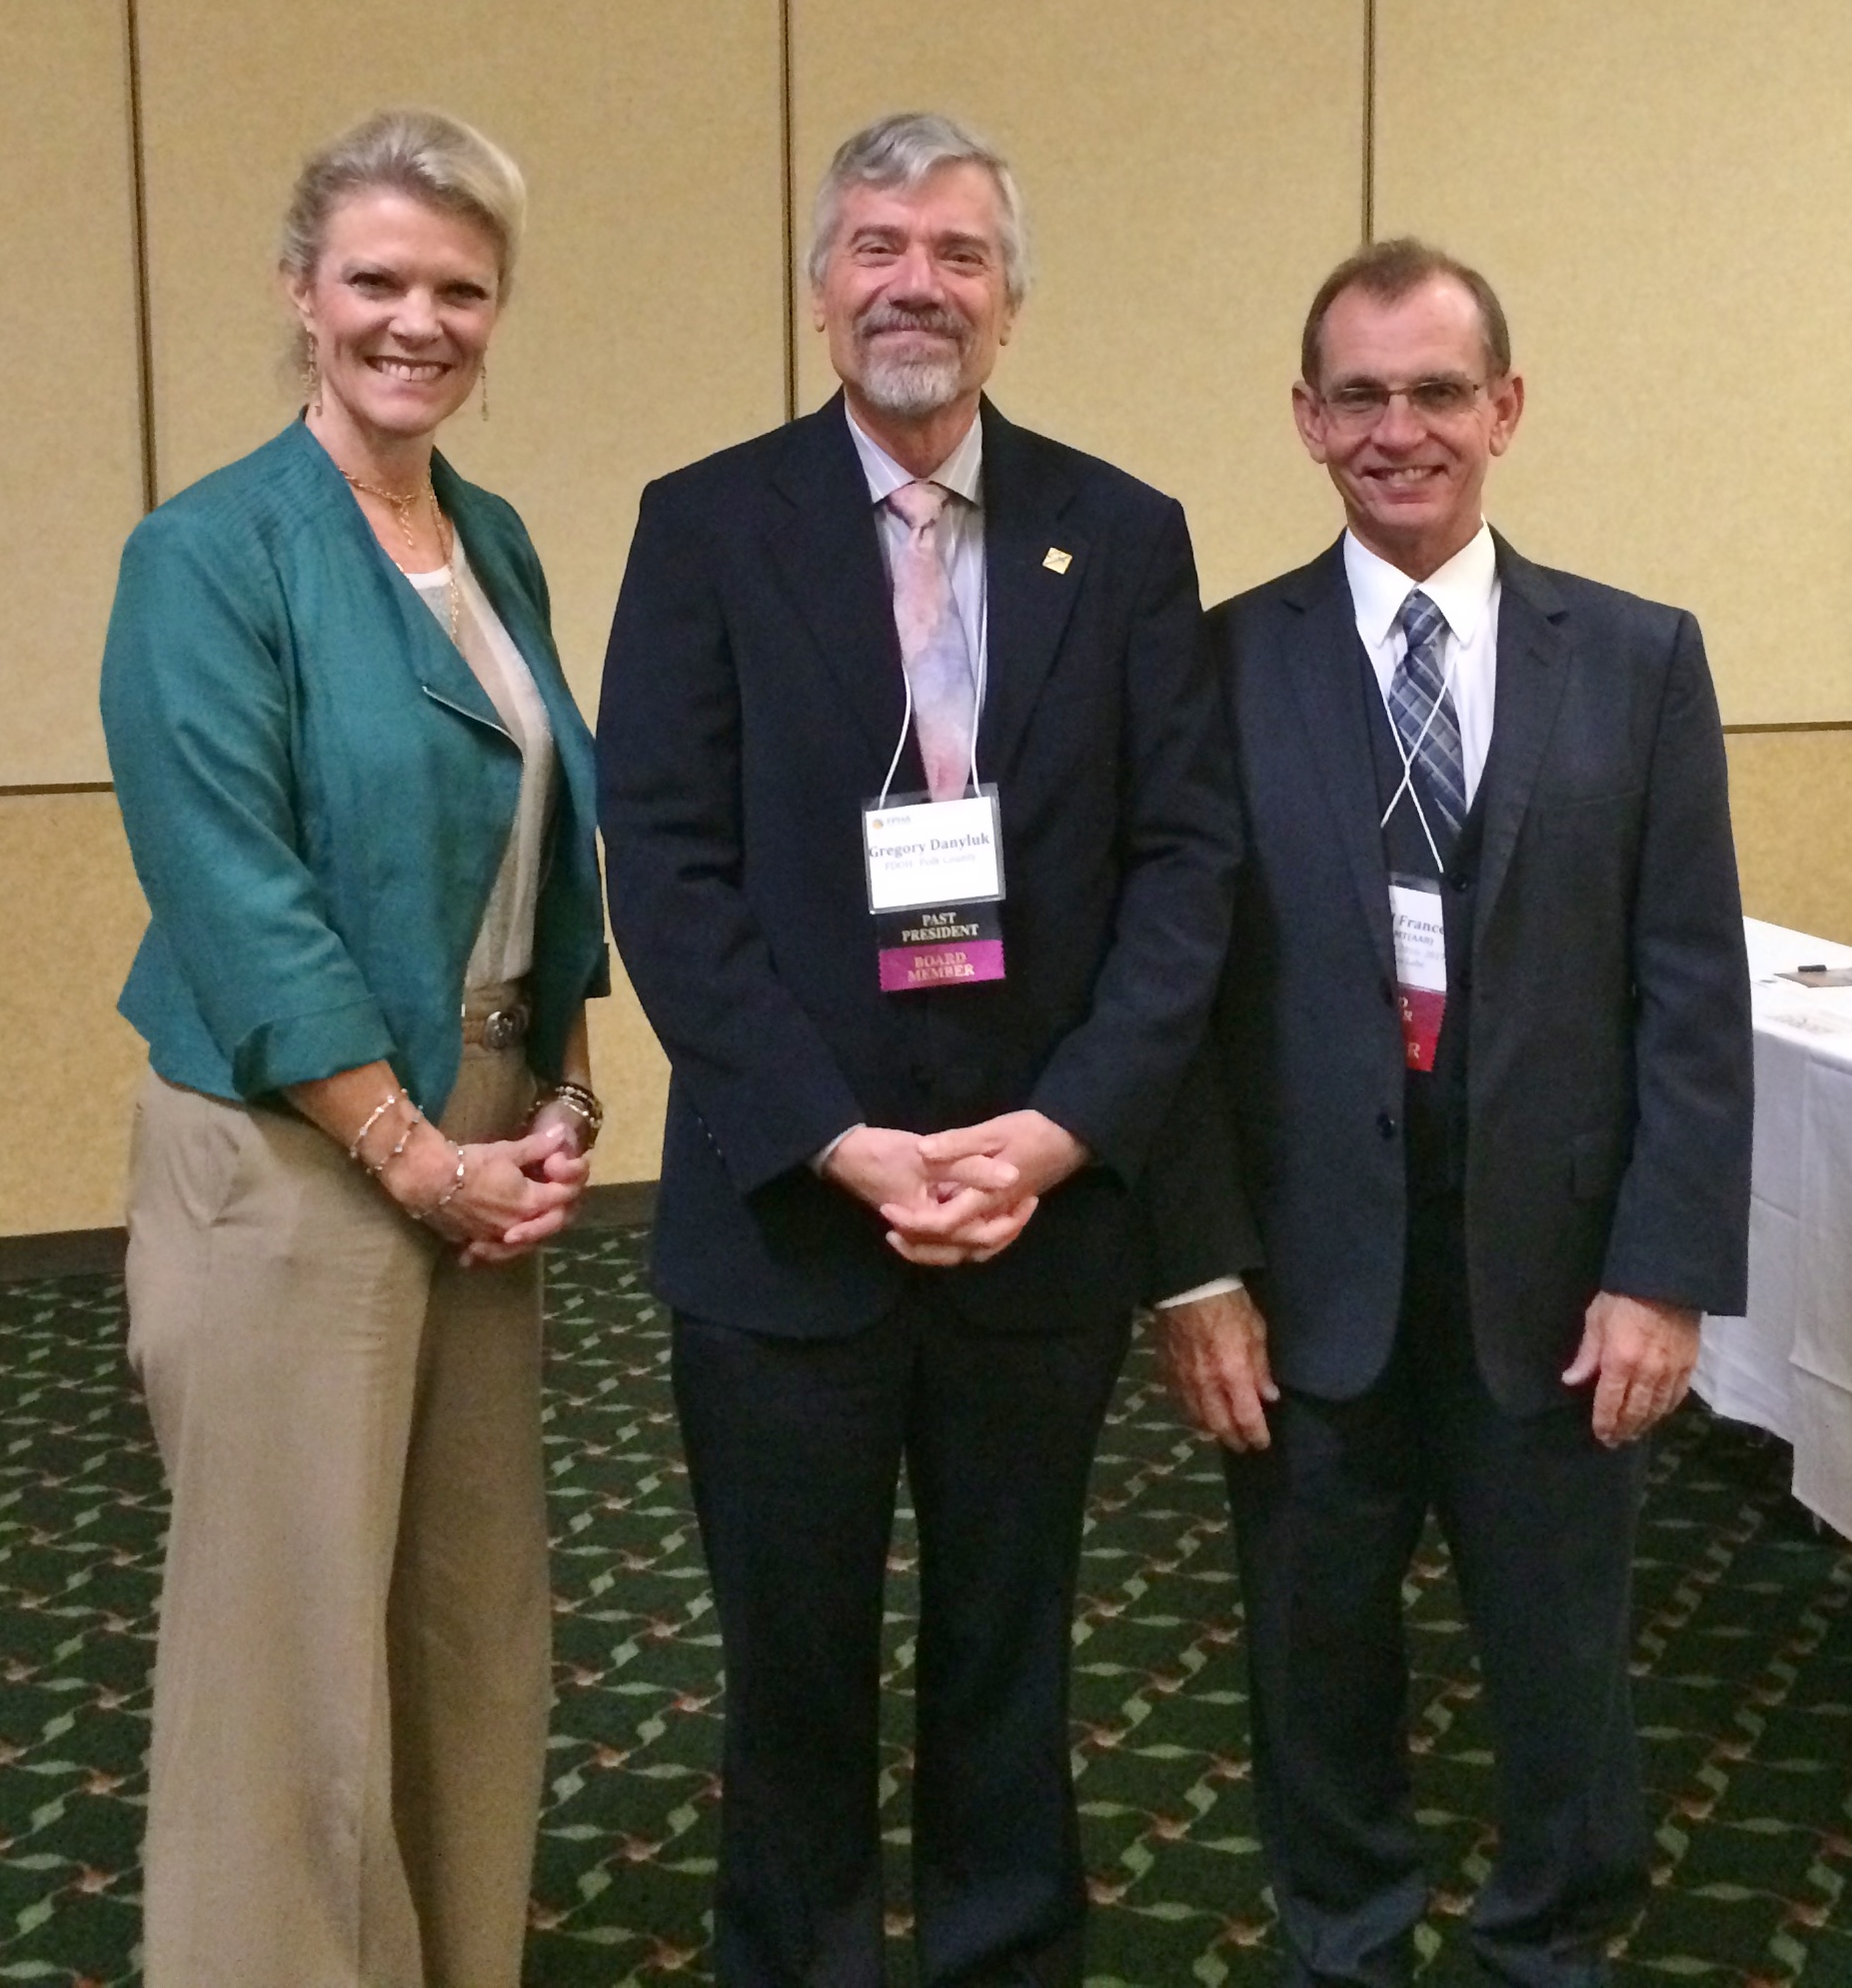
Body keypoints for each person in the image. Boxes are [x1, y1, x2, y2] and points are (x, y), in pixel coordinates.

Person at [599, 111, 1235, 1987]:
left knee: (1012, 1641)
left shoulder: (1118, 536)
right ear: (817, 293)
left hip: (1038, 1212)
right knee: (788, 1652)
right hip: (789, 1213)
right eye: (877, 246)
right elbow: (670, 862)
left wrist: (1062, 1131)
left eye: (958, 254)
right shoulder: (703, 524)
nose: (916, 285)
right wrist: (830, 1136)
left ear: (1010, 302)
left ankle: (1001, 1949)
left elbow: (1181, 866)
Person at [1146, 239, 1753, 1987]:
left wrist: (1663, 1269)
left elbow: (1688, 996)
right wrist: (1194, 1267)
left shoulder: (1637, 660)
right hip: (1302, 1273)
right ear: (1304, 420)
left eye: (1432, 391)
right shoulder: (1214, 663)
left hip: (1558, 1278)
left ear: (1503, 407)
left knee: (1562, 1664)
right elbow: (1172, 1008)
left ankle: (1547, 1942)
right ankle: (1343, 1938)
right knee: (1312, 1655)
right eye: (1359, 395)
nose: (1396, 428)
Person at [99, 108, 609, 1988]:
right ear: (302, 294)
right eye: (378, 279)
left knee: (470, 1630)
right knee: (286, 1661)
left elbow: (540, 826)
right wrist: (413, 1150)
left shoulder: (492, 538)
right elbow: (236, 891)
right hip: (297, 1157)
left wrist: (556, 1088)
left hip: (478, 1145)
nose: (419, 320)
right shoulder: (207, 553)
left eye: (458, 288)